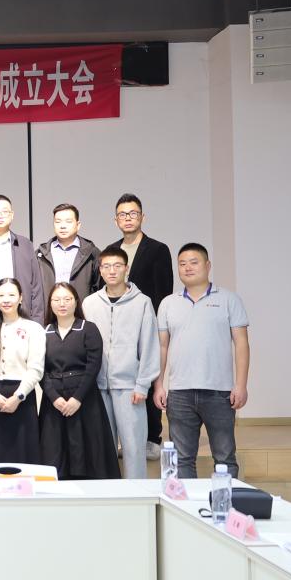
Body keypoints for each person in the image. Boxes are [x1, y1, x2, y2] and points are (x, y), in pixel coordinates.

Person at [153, 243, 250, 479]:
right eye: (182, 264)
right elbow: (162, 347)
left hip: (220, 393)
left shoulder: (229, 299)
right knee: (182, 460)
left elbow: (241, 344)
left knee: (225, 457)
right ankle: (186, 503)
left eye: (194, 262)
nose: (187, 268)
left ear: (207, 265)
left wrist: (240, 385)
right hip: (179, 393)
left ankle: (226, 502)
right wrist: (158, 385)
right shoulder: (168, 303)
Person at [81, 246, 161, 479]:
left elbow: (149, 345)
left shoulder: (142, 302)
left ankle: (136, 495)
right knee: (101, 450)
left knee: (133, 448)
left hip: (130, 388)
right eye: (106, 266)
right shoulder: (89, 303)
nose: (112, 271)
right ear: (100, 270)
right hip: (97, 388)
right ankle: (106, 496)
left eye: (117, 266)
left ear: (126, 268)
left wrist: (143, 385)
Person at [110, 193, 173, 461]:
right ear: (116, 220)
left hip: (148, 325)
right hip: (120, 329)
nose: (128, 218)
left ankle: (151, 438)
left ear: (142, 217)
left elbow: (163, 291)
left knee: (148, 378)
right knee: (124, 383)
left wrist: (159, 328)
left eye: (133, 213)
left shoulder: (158, 250)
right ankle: (124, 438)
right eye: (123, 214)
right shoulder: (111, 250)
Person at [39, 283, 120, 480]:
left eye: (67, 299)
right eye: (57, 300)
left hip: (84, 400)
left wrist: (77, 398)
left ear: (76, 302)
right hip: (54, 403)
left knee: (90, 453)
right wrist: (54, 398)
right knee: (53, 454)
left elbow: (93, 366)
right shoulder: (44, 332)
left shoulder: (88, 329)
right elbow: (40, 369)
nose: (62, 304)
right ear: (50, 304)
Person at [0, 277, 45, 464]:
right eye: (1, 295)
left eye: (11, 295)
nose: (6, 300)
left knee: (24, 454)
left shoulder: (33, 328)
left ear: (20, 297)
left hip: (23, 396)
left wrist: (18, 397)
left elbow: (36, 369)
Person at [36, 203, 101, 303]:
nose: (62, 226)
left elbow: (99, 288)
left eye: (68, 221)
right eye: (58, 222)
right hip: (49, 310)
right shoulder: (41, 254)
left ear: (78, 225)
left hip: (81, 310)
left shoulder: (91, 252)